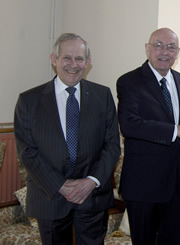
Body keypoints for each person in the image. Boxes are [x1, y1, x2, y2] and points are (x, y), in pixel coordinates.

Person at [14, 33, 121, 245]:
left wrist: (91, 182)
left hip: (92, 196)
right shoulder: (29, 100)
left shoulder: (103, 96)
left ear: (88, 62)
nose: (74, 65)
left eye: (79, 59)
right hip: (50, 196)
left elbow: (112, 146)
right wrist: (60, 185)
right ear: (54, 59)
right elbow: (27, 151)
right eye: (67, 58)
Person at [116, 28, 180, 245]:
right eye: (159, 45)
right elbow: (130, 126)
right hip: (143, 185)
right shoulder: (129, 81)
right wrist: (176, 130)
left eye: (171, 47)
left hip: (178, 185)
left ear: (177, 52)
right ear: (148, 49)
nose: (165, 51)